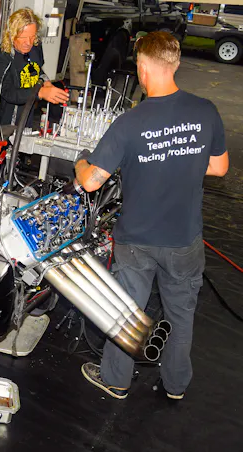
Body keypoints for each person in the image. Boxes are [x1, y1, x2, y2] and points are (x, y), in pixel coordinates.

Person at [72, 31, 229, 400]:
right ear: (175, 64)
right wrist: (180, 160)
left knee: (128, 312)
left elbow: (91, 182)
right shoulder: (205, 111)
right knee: (181, 315)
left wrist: (81, 161)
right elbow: (219, 167)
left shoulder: (130, 122)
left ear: (142, 68)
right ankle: (176, 386)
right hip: (184, 238)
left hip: (137, 240)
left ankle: (117, 380)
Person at [0, 8, 68, 135]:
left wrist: (46, 83)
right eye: (23, 37)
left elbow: (38, 69)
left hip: (26, 118)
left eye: (32, 37)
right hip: (5, 124)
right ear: (12, 35)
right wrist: (40, 92)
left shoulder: (35, 47)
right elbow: (8, 93)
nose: (28, 43)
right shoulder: (3, 56)